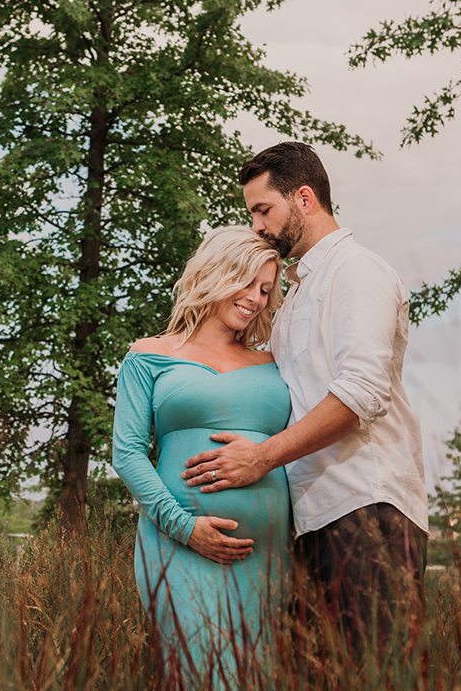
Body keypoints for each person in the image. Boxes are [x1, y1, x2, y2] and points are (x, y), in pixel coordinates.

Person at [180, 141, 429, 651]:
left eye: (263, 210)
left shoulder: (356, 272)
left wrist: (261, 458)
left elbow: (361, 392)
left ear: (306, 199)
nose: (257, 227)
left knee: (372, 675)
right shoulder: (294, 297)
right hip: (312, 520)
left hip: (366, 509)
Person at [112, 225, 291, 685]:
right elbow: (128, 453)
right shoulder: (150, 355)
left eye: (266, 290)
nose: (255, 297)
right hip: (180, 546)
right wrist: (184, 527)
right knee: (199, 674)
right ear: (216, 273)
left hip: (268, 556)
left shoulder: (275, 360)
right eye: (246, 281)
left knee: (259, 678)